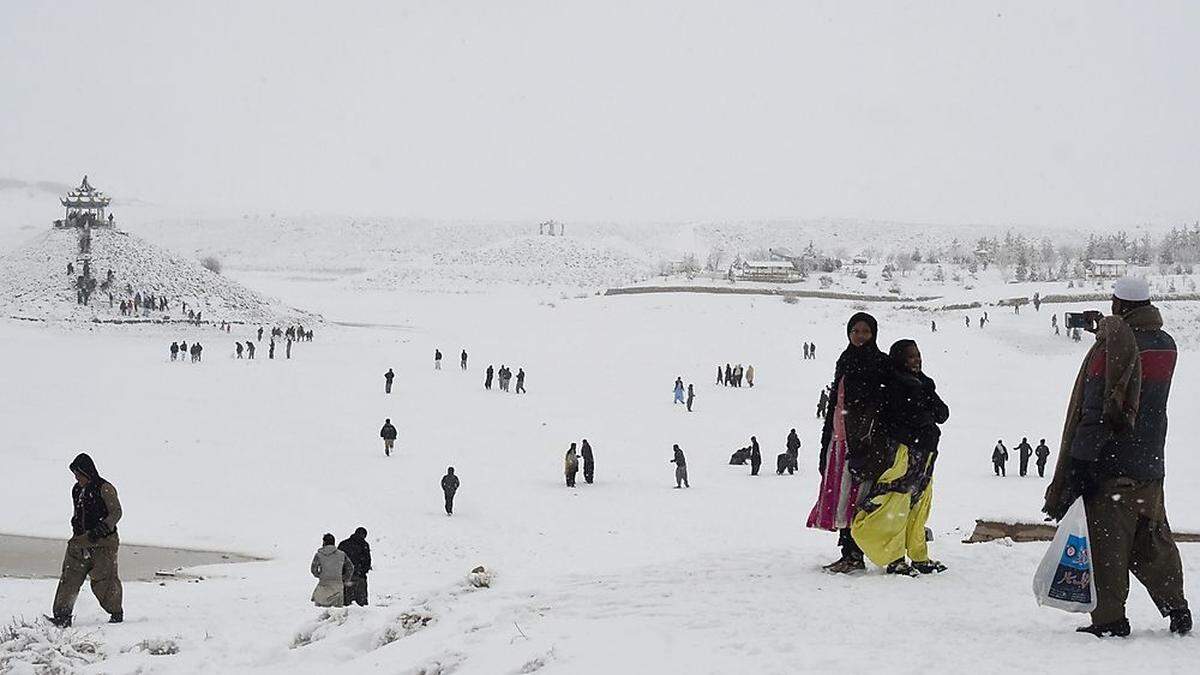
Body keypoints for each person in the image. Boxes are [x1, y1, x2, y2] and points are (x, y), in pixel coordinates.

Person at [1042, 277, 1191, 637]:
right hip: (1151, 461)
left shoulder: (1113, 349)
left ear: (1119, 304)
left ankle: (1110, 620)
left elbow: (1097, 409)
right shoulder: (1165, 345)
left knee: (1107, 544)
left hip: (1111, 464)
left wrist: (1078, 464)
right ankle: (1177, 607)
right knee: (1151, 538)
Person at [851, 339, 950, 576]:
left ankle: (919, 556)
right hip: (904, 453)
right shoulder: (895, 385)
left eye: (917, 355)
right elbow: (904, 419)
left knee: (919, 503)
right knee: (895, 502)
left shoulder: (923, 383)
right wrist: (923, 410)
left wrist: (924, 394)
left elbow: (942, 413)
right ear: (899, 360)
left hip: (925, 454)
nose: (916, 360)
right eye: (910, 357)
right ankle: (894, 558)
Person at [807, 312, 890, 574]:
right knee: (842, 498)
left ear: (874, 333)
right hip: (839, 440)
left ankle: (855, 554)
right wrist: (825, 442)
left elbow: (882, 406)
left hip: (862, 444)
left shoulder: (880, 363)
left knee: (857, 498)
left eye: (865, 331)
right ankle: (847, 551)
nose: (860, 336)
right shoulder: (845, 360)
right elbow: (835, 402)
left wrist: (869, 440)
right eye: (856, 331)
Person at [49, 453, 123, 627]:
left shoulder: (105, 488)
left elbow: (116, 512)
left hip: (103, 544)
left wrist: (102, 528)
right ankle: (62, 616)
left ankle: (115, 612)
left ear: (87, 472)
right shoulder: (76, 490)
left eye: (78, 474)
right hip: (80, 542)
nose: (76, 478)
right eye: (75, 475)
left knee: (104, 580)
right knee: (69, 578)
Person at [311, 533, 354, 607]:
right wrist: (345, 578)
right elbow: (350, 567)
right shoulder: (342, 554)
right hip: (338, 584)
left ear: (324, 542)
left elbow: (313, 569)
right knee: (337, 611)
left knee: (321, 611)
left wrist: (320, 575)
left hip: (323, 584)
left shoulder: (318, 555)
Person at [337, 528, 372, 606]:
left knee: (345, 603)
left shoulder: (343, 544)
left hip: (345, 577)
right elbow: (367, 561)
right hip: (359, 578)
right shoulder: (364, 545)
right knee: (361, 605)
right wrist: (363, 572)